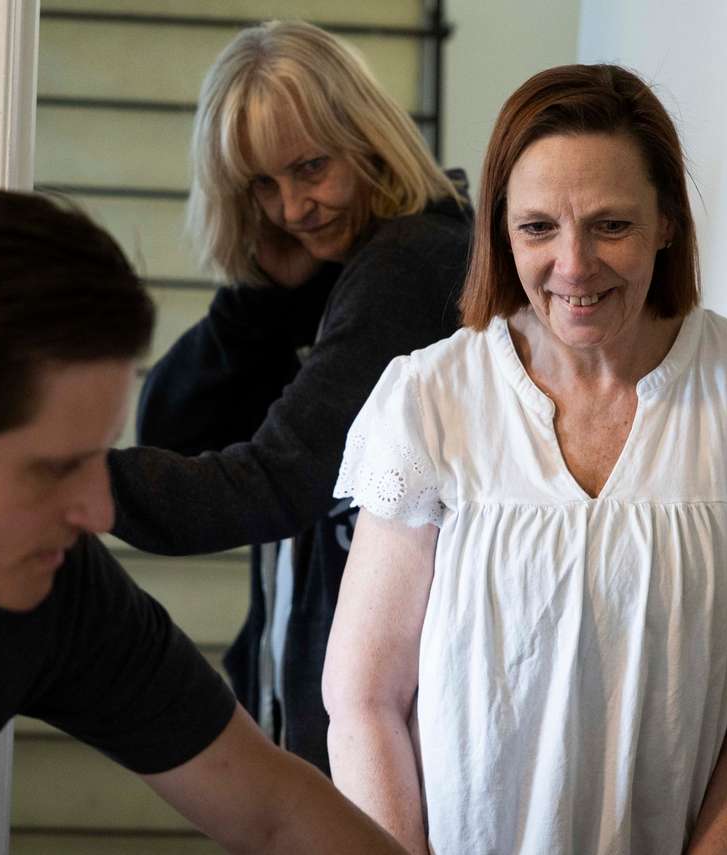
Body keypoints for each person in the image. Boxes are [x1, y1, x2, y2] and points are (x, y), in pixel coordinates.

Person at [0, 187, 408, 855]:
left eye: (100, 456)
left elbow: (274, 812)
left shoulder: (41, 577)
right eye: (57, 467)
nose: (98, 509)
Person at [324, 64, 727, 854]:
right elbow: (363, 697)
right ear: (501, 229)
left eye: (611, 225)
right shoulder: (428, 398)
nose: (574, 266)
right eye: (539, 227)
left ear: (666, 222)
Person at [108, 20, 472, 773]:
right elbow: (174, 429)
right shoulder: (337, 269)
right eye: (261, 187)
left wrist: (63, 482)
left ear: (368, 138)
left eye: (311, 168)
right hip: (326, 699)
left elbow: (284, 478)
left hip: (384, 726)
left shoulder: (408, 263)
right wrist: (260, 295)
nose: (292, 207)